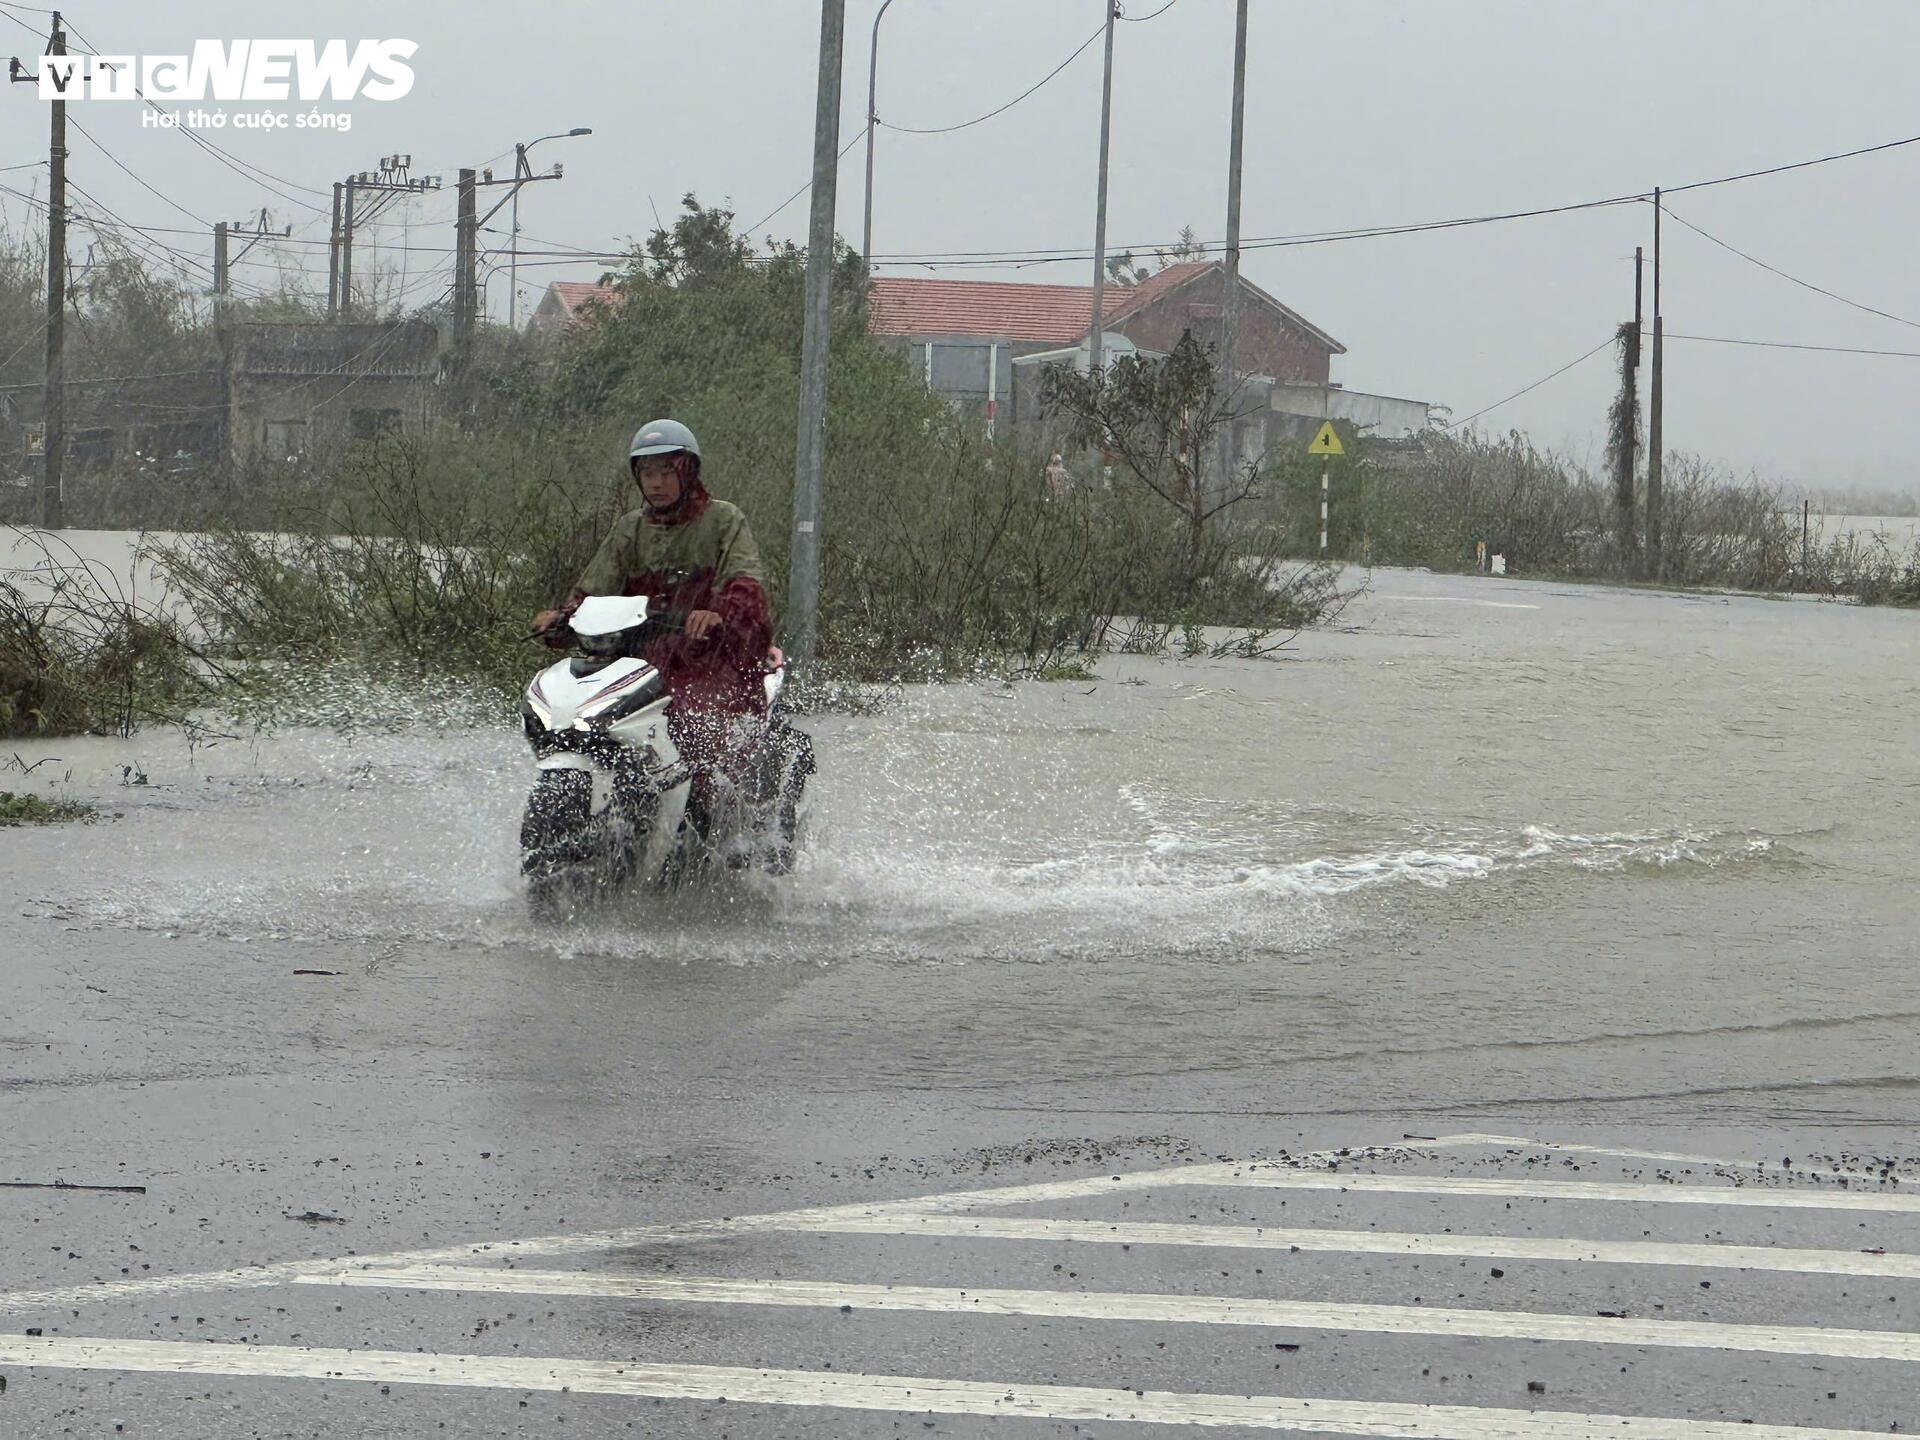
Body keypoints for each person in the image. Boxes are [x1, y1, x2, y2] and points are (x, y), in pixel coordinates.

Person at [534, 420, 776, 823]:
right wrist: (562, 619)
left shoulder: (723, 520)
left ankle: (714, 823)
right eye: (647, 473)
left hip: (708, 661)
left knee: (698, 734)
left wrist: (718, 613)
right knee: (577, 719)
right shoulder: (630, 528)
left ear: (687, 471)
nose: (656, 483)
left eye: (666, 471)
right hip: (637, 662)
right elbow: (592, 592)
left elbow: (747, 586)